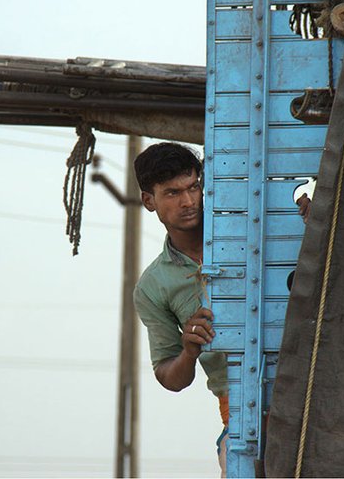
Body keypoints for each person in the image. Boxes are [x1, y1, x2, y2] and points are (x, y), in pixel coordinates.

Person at [132, 142, 231, 475]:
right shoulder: (152, 286)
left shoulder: (249, 234)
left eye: (193, 187)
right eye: (172, 193)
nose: (189, 202)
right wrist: (189, 351)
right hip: (238, 410)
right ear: (149, 201)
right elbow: (169, 376)